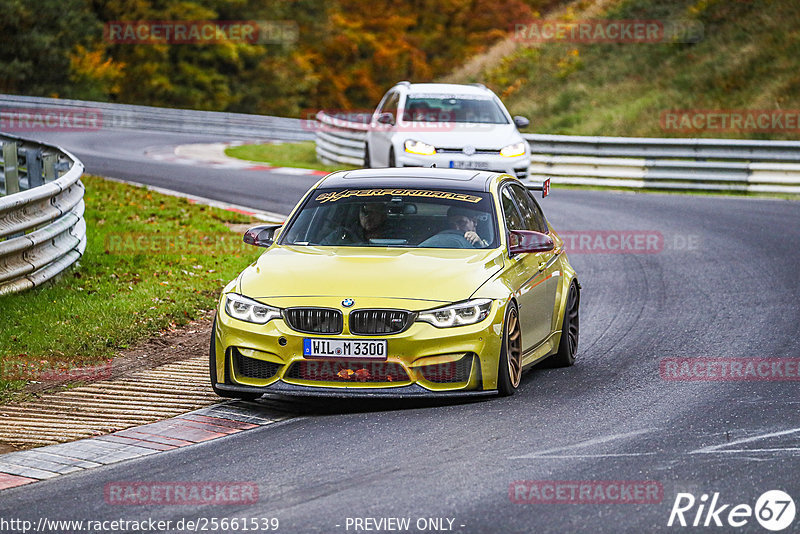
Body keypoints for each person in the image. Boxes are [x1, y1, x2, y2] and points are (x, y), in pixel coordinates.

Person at [322, 202, 392, 245]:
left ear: (383, 215)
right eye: (363, 212)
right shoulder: (342, 234)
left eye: (371, 212)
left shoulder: (396, 235)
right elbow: (320, 249)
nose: (367, 216)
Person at [419, 206, 489, 248]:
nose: (456, 228)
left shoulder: (493, 240)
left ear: (474, 221)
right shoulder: (440, 238)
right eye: (452, 224)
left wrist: (480, 243)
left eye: (461, 222)